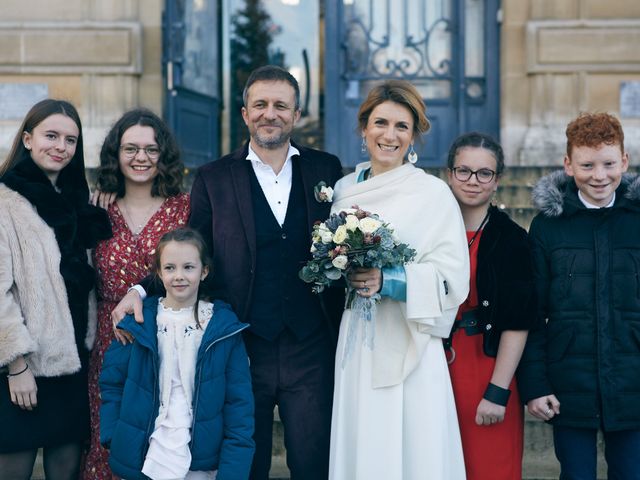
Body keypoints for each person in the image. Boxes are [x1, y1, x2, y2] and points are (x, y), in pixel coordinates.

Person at [112, 65, 344, 479]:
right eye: (260, 104)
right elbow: (194, 248)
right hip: (241, 345)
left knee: (313, 462)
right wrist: (140, 289)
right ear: (244, 113)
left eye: (280, 105)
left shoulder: (326, 169)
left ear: (296, 113)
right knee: (242, 462)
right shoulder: (215, 177)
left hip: (310, 345)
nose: (269, 114)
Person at [328, 80, 470, 479]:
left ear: (414, 136)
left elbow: (452, 277)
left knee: (414, 444)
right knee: (363, 437)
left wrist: (388, 280)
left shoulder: (432, 193)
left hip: (411, 338)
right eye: (380, 123)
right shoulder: (341, 190)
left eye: (402, 127)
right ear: (363, 128)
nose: (389, 135)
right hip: (358, 335)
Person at [517, 112, 640, 479]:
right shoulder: (547, 227)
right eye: (587, 165)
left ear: (624, 162)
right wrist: (535, 386)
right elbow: (533, 313)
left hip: (633, 381)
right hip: (569, 385)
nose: (599, 176)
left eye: (608, 164)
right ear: (569, 165)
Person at [0, 99, 111, 479]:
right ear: (28, 139)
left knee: (66, 470)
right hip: (23, 367)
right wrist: (17, 365)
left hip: (72, 362)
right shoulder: (4, 201)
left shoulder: (77, 202)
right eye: (51, 136)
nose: (60, 146)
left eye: (70, 140)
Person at [82, 108, 190, 479]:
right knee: (109, 440)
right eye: (130, 149)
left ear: (165, 155)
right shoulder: (98, 208)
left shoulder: (185, 209)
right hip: (109, 342)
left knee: (162, 442)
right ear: (116, 154)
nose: (141, 158)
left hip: (169, 340)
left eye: (151, 149)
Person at [99, 228, 254, 480]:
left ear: (204, 271)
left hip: (199, 462)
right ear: (159, 273)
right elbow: (111, 383)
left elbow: (239, 406)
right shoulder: (138, 323)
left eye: (188, 267)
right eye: (170, 268)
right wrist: (115, 436)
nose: (179, 276)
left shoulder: (224, 328)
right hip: (145, 457)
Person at [444, 132, 537, 479]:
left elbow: (517, 320)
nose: (473, 181)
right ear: (449, 174)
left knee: (489, 466)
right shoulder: (428, 230)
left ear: (497, 181)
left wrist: (498, 391)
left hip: (486, 365)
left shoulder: (511, 238)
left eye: (484, 173)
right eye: (464, 171)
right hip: (432, 366)